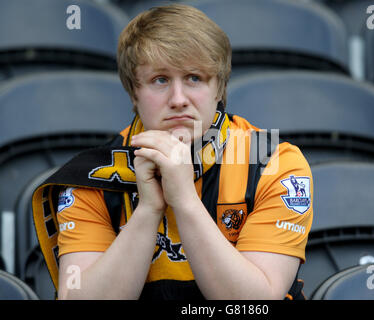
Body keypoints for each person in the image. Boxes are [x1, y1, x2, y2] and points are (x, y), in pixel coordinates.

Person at [32, 4, 313, 300]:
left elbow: (255, 304)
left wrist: (184, 200)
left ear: (219, 88)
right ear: (133, 93)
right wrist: (148, 210)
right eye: (160, 80)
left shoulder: (274, 162)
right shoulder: (92, 175)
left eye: (194, 78)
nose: (178, 99)